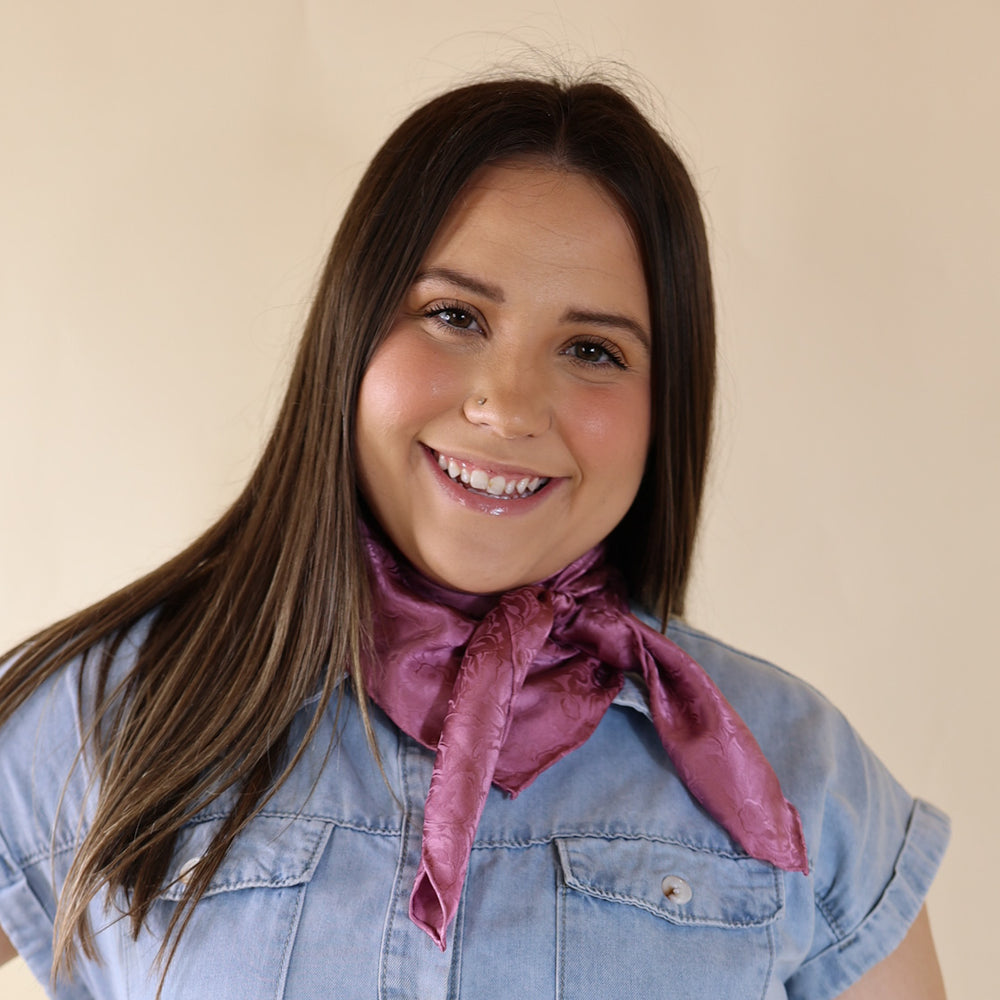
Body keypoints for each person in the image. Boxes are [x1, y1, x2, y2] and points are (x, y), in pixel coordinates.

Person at [0, 76, 948, 999]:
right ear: (351, 338)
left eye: (593, 350)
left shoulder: (798, 774)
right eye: (454, 315)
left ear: (667, 408)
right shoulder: (102, 715)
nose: (507, 406)